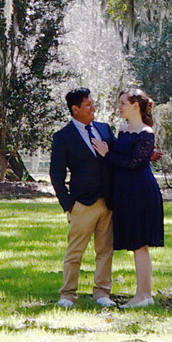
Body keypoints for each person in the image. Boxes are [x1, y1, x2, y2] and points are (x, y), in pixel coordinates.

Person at [92, 88, 165, 309]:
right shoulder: (124, 132)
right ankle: (143, 294)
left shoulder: (146, 132)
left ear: (135, 106)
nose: (120, 106)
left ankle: (144, 295)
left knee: (140, 245)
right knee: (135, 245)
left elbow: (133, 163)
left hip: (141, 193)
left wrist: (107, 154)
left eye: (123, 102)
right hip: (126, 193)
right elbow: (122, 159)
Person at [49, 88, 117, 308]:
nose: (93, 108)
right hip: (81, 204)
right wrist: (68, 204)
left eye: (92, 104)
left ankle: (102, 293)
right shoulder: (63, 137)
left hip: (107, 202)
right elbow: (56, 174)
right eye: (87, 105)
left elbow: (117, 159)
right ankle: (67, 295)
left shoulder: (104, 130)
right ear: (75, 109)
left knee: (105, 251)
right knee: (74, 253)